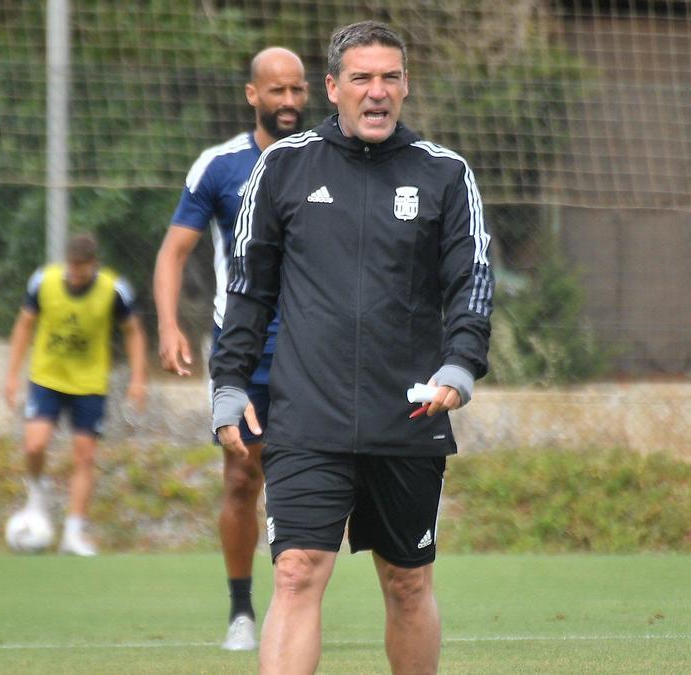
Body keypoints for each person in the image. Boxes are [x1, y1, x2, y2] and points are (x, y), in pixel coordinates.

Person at [210, 21, 493, 674]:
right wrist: (229, 384)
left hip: (410, 414)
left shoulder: (445, 174)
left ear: (406, 86)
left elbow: (472, 279)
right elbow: (249, 288)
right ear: (332, 87)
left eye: (390, 77)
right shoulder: (283, 167)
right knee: (296, 572)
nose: (377, 92)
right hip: (308, 414)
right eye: (361, 78)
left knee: (408, 582)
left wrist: (461, 363)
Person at [153, 47, 309, 651]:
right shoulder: (219, 168)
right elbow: (173, 252)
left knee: (306, 478)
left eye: (298, 90)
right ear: (253, 95)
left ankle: (293, 601)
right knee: (243, 476)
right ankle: (242, 610)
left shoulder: (327, 160)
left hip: (312, 352)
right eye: (277, 91)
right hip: (241, 352)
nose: (290, 102)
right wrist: (168, 324)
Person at [4, 232, 148, 557]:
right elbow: (24, 325)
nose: (76, 273)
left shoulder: (114, 289)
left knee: (84, 456)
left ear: (94, 264)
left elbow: (133, 331)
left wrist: (138, 379)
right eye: (72, 267)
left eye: (82, 268)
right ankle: (37, 497)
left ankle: (73, 533)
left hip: (89, 384)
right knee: (35, 443)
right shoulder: (44, 281)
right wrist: (12, 375)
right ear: (66, 262)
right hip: (47, 378)